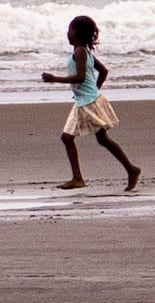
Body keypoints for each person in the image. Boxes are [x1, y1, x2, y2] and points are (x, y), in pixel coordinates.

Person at [45, 13, 142, 190]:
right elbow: (103, 71)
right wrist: (93, 91)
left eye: (70, 30)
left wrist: (55, 79)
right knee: (101, 139)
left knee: (68, 138)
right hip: (90, 100)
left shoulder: (80, 52)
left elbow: (81, 77)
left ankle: (78, 178)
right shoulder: (85, 52)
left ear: (76, 33)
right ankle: (131, 169)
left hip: (87, 103)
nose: (68, 33)